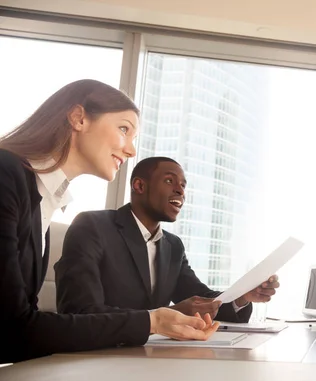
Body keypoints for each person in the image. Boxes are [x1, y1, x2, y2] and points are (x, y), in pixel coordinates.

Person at [0, 79, 218, 364]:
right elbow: (13, 331)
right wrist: (152, 322)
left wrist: (156, 321)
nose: (131, 150)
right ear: (78, 118)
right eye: (124, 129)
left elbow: (20, 326)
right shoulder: (7, 176)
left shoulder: (40, 202)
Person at [55, 157, 279, 321]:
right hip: (98, 358)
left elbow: (201, 300)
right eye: (170, 181)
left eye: (183, 185)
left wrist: (243, 295)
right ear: (139, 186)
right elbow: (80, 312)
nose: (180, 191)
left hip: (152, 357)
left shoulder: (173, 246)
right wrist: (169, 315)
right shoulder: (93, 227)